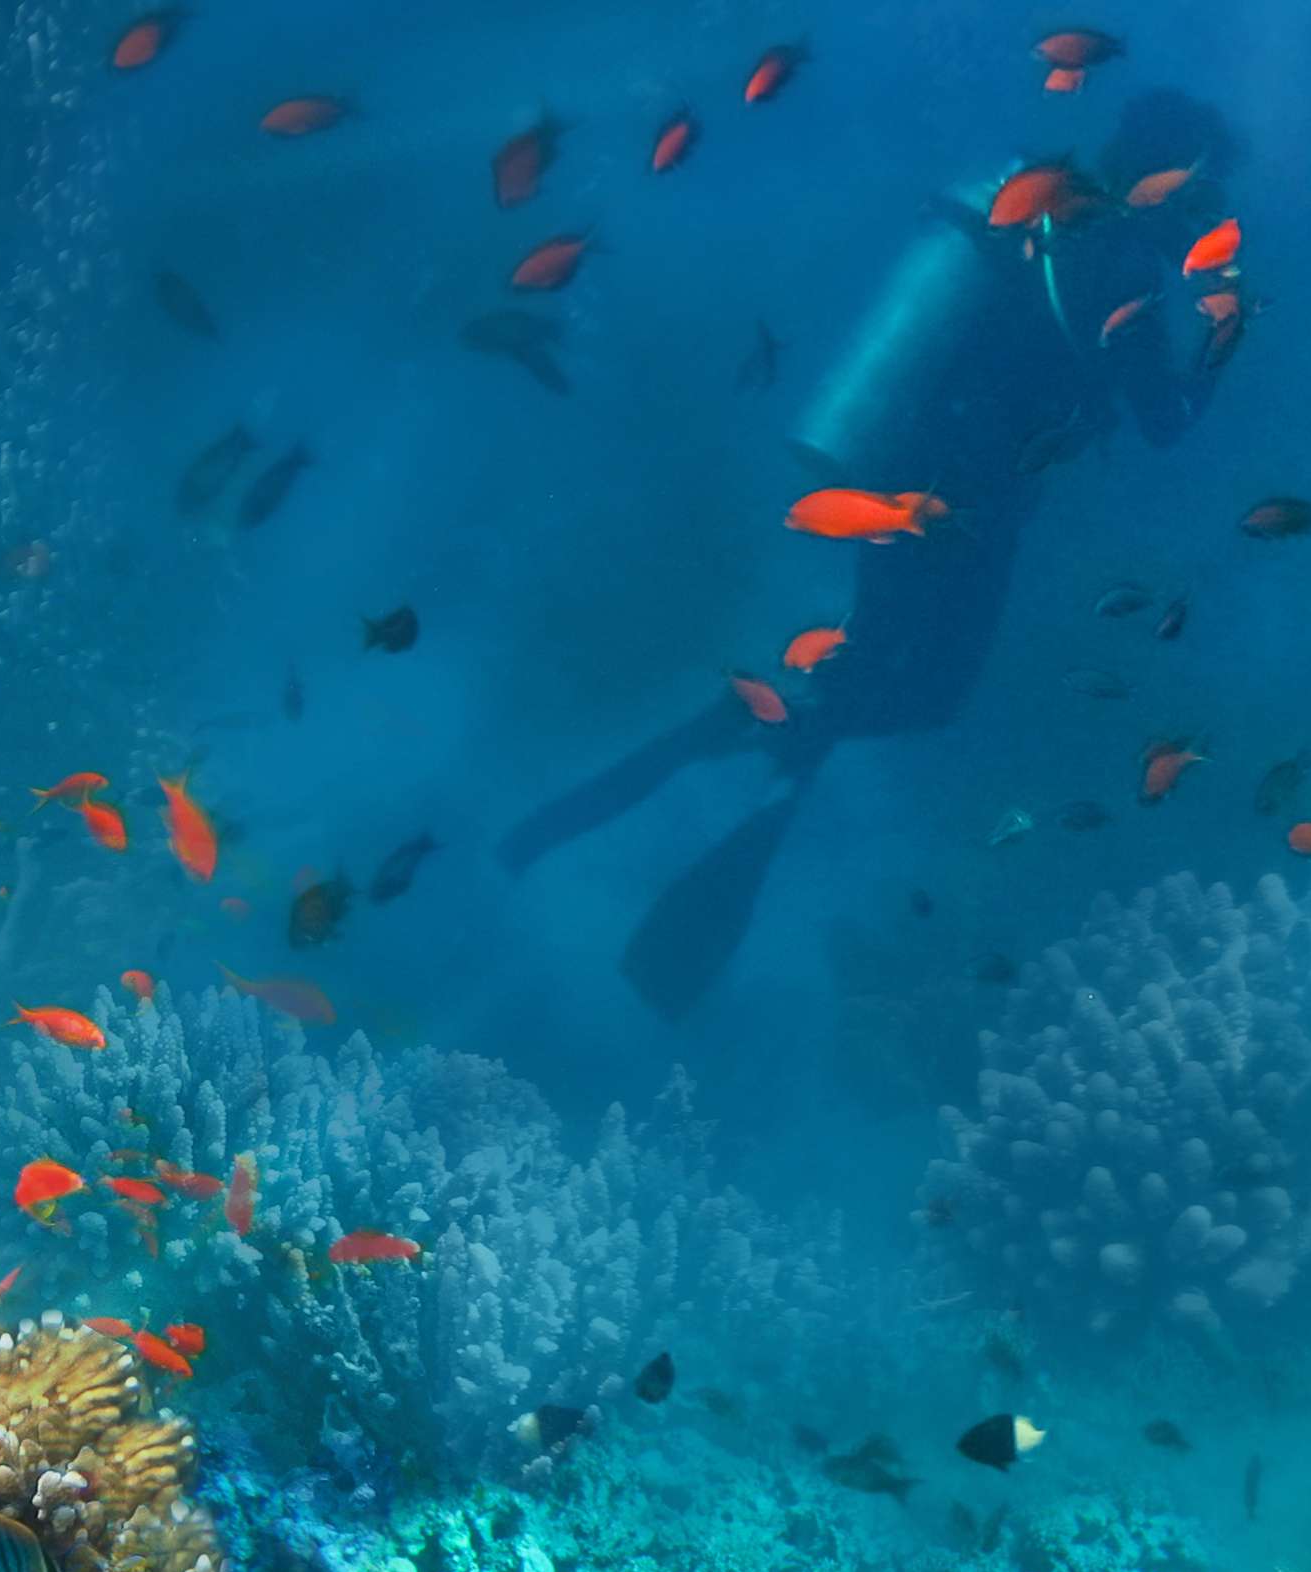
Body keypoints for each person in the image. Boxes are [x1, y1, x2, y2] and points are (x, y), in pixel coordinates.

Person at [502, 91, 1238, 1013]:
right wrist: (1227, 334)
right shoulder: (1122, 261)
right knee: (925, 693)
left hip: (894, 475)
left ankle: (673, 778)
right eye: (1204, 193)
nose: (1204, 215)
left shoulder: (1038, 204)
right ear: (1175, 179)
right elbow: (1166, 422)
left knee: (867, 674)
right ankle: (725, 806)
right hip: (967, 508)